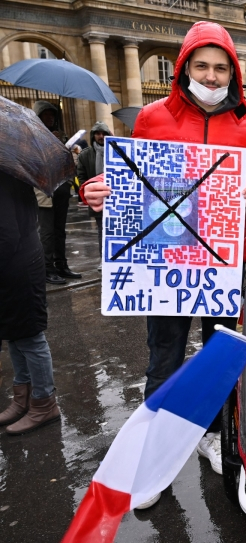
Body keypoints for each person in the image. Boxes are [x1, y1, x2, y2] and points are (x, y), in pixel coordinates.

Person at [81, 21, 246, 501]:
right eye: (201, 66)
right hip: (163, 260)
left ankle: (211, 436)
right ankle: (156, 453)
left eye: (221, 68)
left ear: (233, 72)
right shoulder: (152, 117)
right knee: (164, 355)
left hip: (225, 261)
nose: (211, 77)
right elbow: (128, 179)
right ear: (185, 68)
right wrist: (99, 194)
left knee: (219, 355)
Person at [0, 172, 61, 434]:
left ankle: (44, 402)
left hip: (17, 265)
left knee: (29, 336)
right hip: (14, 264)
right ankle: (23, 399)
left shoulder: (4, 175)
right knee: (14, 334)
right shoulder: (10, 170)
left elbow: (6, 234)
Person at [33, 101, 81, 284]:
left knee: (60, 230)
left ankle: (61, 264)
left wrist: (67, 150)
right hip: (44, 190)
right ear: (39, 116)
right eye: (46, 114)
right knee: (47, 232)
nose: (50, 117)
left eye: (53, 114)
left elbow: (67, 163)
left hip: (60, 188)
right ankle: (47, 268)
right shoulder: (33, 135)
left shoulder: (60, 136)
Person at [76, 121, 112, 266]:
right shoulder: (85, 155)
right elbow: (81, 177)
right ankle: (104, 260)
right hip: (97, 198)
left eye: (103, 133)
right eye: (98, 133)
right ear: (93, 136)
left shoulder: (116, 150)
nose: (101, 136)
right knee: (102, 230)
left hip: (114, 196)